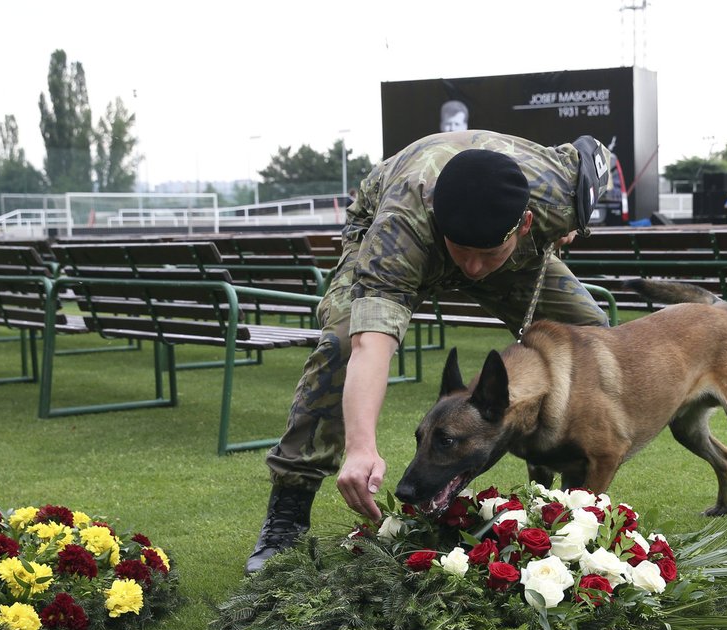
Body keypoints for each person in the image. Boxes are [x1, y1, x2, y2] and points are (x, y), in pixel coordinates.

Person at [246, 130, 614, 574]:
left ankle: (571, 490)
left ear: (527, 223)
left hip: (514, 253)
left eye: (487, 254)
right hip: (393, 231)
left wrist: (577, 221)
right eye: (464, 252)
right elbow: (369, 345)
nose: (473, 269)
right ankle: (288, 511)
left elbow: (596, 157)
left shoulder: (560, 189)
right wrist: (362, 446)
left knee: (591, 335)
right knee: (340, 345)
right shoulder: (402, 230)